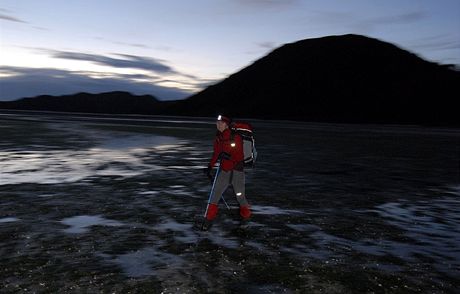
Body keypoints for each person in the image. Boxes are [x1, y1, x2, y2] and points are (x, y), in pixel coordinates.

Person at [201, 114, 251, 230]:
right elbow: (216, 154)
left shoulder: (236, 137)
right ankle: (207, 221)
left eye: (220, 123)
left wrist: (228, 156)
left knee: (240, 197)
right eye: (217, 122)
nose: (218, 125)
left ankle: (245, 217)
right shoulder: (218, 137)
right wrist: (210, 166)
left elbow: (240, 156)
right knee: (214, 195)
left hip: (237, 172)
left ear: (226, 124)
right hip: (224, 171)